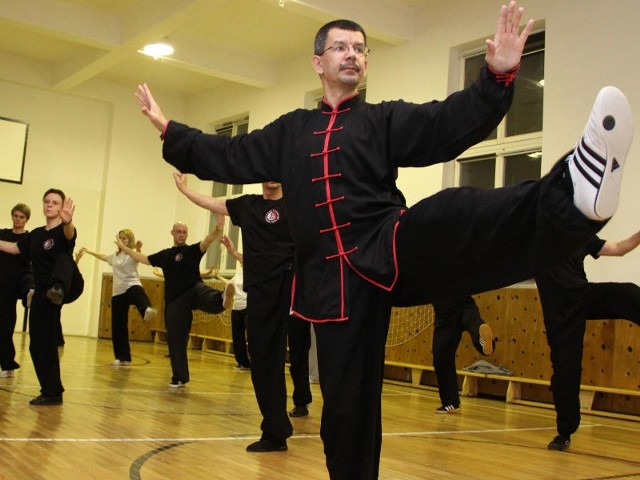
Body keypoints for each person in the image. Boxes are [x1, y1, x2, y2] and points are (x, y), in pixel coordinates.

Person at [134, 3, 633, 477]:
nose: (353, 54)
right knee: (345, 414)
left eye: (361, 48)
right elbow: (227, 152)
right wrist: (168, 129)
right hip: (330, 291)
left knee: (452, 209)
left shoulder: (381, 120)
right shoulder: (288, 133)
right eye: (341, 47)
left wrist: (497, 78)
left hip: (390, 248)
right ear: (318, 62)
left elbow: (447, 122)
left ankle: (571, 194)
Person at [173, 174, 312, 452]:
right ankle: (275, 431)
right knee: (262, 361)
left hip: (292, 289)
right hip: (260, 294)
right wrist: (186, 190)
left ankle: (308, 412)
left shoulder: (298, 204)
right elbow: (213, 202)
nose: (272, 179)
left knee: (299, 353)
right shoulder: (249, 206)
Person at [536, 231, 640, 452]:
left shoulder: (579, 233)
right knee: (566, 372)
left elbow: (618, 249)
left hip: (582, 297)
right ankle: (564, 433)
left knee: (628, 293)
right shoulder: (536, 238)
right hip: (559, 314)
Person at [115, 216, 232, 387]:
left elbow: (206, 242)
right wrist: (125, 248)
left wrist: (216, 230)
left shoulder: (192, 250)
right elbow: (143, 258)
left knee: (204, 292)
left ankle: (222, 299)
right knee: (175, 340)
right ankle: (179, 377)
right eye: (178, 231)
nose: (181, 234)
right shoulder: (165, 255)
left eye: (184, 232)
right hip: (175, 300)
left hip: (193, 289)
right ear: (172, 233)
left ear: (187, 235)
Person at [0, 189, 78, 405]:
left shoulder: (64, 230)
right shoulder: (35, 234)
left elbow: (70, 235)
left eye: (55, 202)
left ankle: (53, 392)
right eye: (47, 201)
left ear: (62, 207)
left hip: (64, 286)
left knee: (64, 258)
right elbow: (15, 248)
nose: (49, 205)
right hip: (43, 294)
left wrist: (68, 222)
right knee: (39, 344)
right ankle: (51, 391)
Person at [80, 229, 158, 366]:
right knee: (118, 326)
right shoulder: (115, 256)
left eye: (125, 238)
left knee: (138, 291)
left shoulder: (131, 254)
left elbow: (139, 256)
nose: (121, 240)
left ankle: (146, 310)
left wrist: (138, 249)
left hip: (131, 285)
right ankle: (123, 358)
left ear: (130, 241)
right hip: (118, 292)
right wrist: (89, 251)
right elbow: (104, 256)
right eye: (120, 238)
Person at [431, 296, 494, 413]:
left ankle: (451, 402)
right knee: (441, 357)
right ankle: (482, 343)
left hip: (456, 307)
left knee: (442, 357)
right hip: (454, 311)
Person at [0, 203, 32, 378]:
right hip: (1, 283)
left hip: (16, 283)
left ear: (26, 220)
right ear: (12, 216)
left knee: (5, 327)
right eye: (16, 216)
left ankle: (7, 365)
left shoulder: (29, 238)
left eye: (22, 217)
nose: (18, 219)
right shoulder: (3, 233)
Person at [219, 235, 250, 370]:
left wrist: (233, 252)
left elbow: (246, 259)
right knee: (238, 337)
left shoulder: (254, 271)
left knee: (252, 337)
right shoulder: (237, 275)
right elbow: (230, 288)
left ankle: (256, 362)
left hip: (250, 308)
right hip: (237, 309)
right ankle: (242, 362)